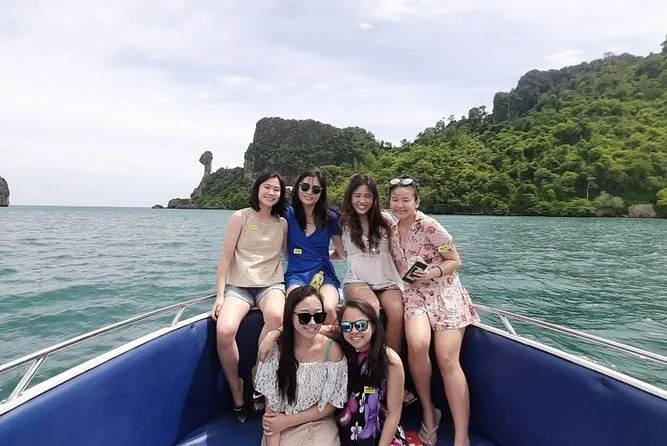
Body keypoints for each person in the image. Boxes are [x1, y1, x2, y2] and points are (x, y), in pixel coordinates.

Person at [388, 176, 480, 446]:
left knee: (447, 359)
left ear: (416, 202)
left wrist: (431, 273)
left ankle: (461, 436)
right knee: (417, 345)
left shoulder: (430, 226)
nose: (400, 205)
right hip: (415, 296)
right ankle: (429, 412)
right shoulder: (391, 230)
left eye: (406, 200)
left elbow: (455, 260)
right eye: (395, 199)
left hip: (444, 294)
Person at [210, 172, 288, 423]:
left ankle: (258, 371)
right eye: (267, 187)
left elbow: (292, 255)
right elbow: (226, 257)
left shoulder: (282, 223)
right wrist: (220, 295)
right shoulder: (240, 217)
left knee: (276, 318)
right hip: (239, 286)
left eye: (276, 189)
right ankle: (236, 386)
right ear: (257, 189)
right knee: (224, 330)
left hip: (271, 284)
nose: (271, 193)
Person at [339, 174, 416, 406]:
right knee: (370, 308)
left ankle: (390, 372)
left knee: (396, 311)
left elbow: (408, 234)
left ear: (375, 198)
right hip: (357, 280)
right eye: (357, 195)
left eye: (367, 196)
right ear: (350, 197)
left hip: (386, 280)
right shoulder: (343, 222)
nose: (362, 201)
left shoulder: (386, 221)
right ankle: (366, 371)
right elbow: (338, 251)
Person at [255, 286, 349, 446]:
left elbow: (331, 404)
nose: (312, 323)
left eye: (318, 316)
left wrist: (288, 421)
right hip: (281, 425)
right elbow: (271, 417)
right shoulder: (275, 351)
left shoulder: (332, 351)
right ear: (291, 316)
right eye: (304, 317)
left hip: (319, 421)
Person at [336, 299, 407, 446]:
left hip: (380, 432)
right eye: (347, 326)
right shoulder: (340, 353)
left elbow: (394, 413)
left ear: (373, 326)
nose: (354, 331)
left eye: (361, 325)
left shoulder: (389, 361)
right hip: (346, 430)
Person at [284, 170, 345, 323]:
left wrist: (322, 256)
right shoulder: (288, 215)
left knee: (329, 308)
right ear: (297, 187)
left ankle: (327, 339)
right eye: (305, 187)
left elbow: (342, 253)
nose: (309, 192)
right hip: (296, 275)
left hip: (324, 274)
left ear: (321, 193)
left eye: (316, 189)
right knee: (299, 306)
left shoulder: (330, 218)